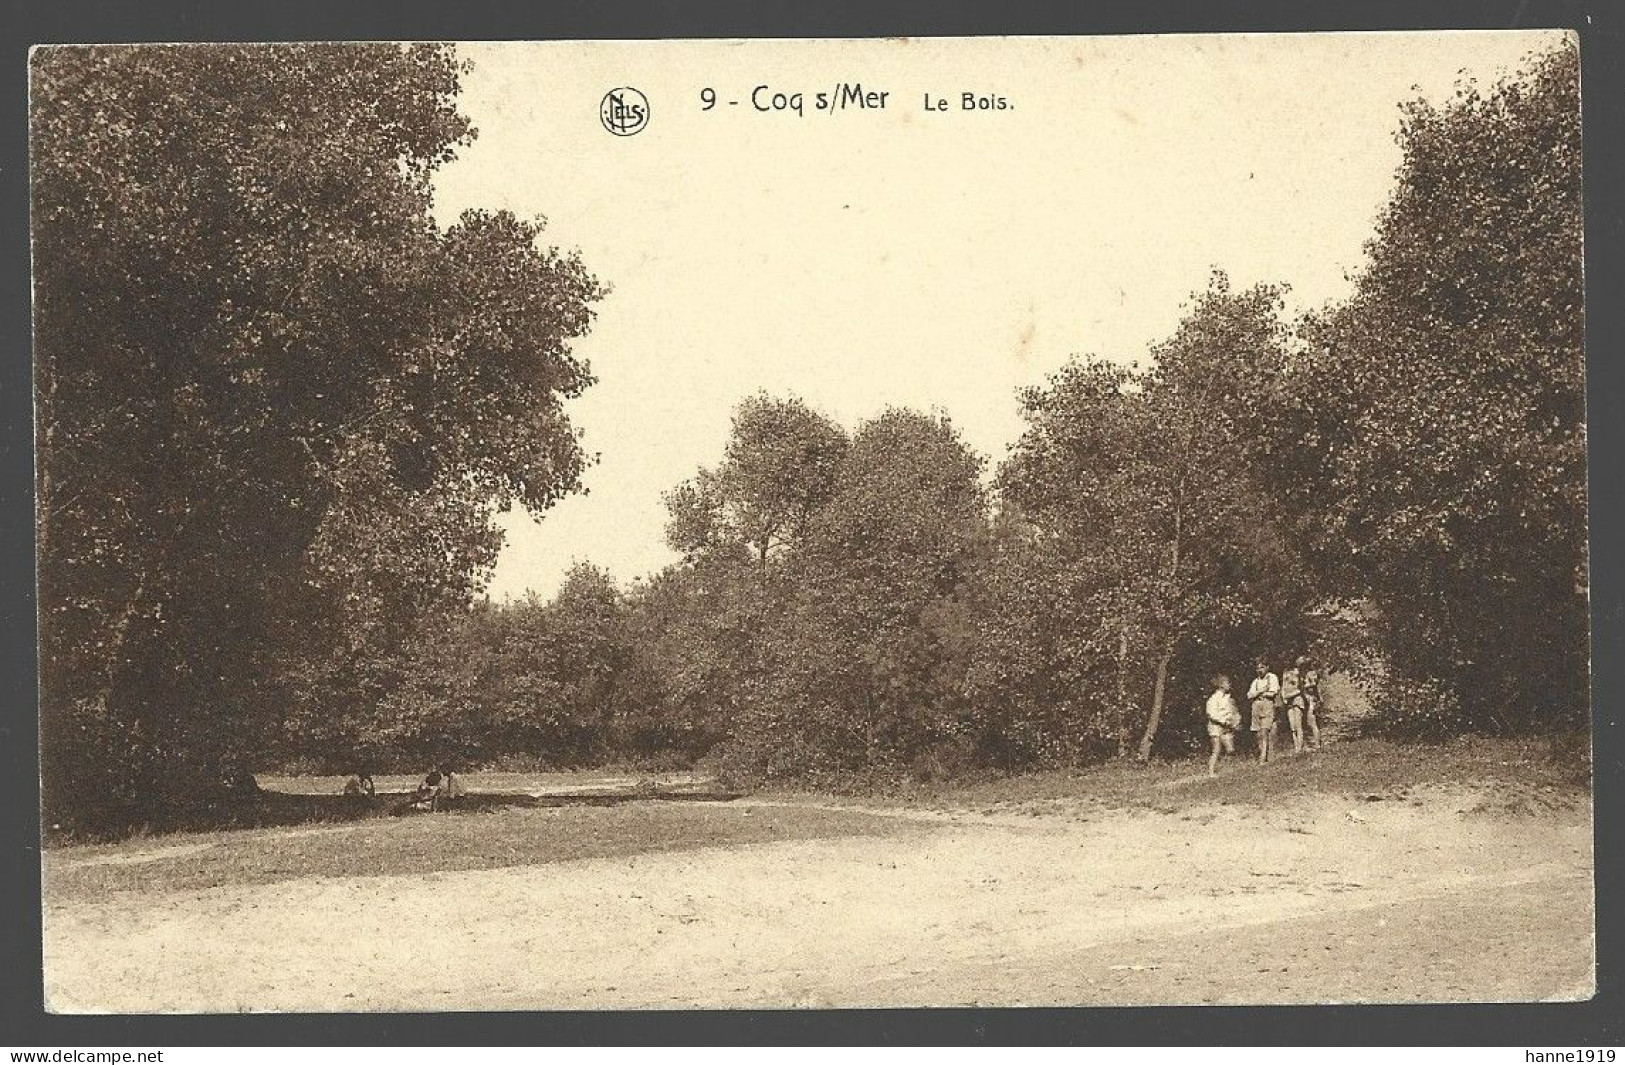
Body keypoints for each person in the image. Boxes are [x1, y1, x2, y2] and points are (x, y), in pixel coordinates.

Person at [1204, 673, 1242, 776]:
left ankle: (1227, 769)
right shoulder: (1213, 699)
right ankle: (1211, 772)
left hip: (1226, 726)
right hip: (1215, 726)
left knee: (1230, 749)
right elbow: (1211, 714)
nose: (1229, 684)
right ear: (1221, 685)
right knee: (1216, 749)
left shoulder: (1228, 698)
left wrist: (1233, 721)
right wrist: (1223, 721)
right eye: (1227, 683)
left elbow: (1232, 711)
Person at [1246, 658, 1280, 763]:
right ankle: (1263, 754)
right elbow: (1249, 695)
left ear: (1267, 667)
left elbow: (1273, 692)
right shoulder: (1255, 681)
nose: (1260, 670)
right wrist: (1260, 691)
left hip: (1267, 705)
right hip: (1256, 706)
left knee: (1265, 731)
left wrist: (1260, 694)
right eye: (1257, 668)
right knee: (1258, 733)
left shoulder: (1272, 677)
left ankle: (1263, 758)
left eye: (1262, 667)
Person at [1280, 659, 1307, 754]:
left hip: (1296, 699)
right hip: (1288, 701)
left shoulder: (1297, 671)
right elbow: (1283, 686)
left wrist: (1290, 695)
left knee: (1298, 724)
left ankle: (1300, 747)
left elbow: (1300, 688)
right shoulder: (1285, 672)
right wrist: (1284, 697)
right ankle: (1296, 746)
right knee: (1292, 725)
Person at [1300, 655, 1323, 750]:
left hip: (1312, 698)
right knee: (1309, 722)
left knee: (1312, 721)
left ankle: (1318, 744)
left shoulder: (1311, 674)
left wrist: (1304, 686)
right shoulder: (1304, 674)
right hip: (1307, 698)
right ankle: (1313, 743)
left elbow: (1314, 685)